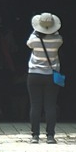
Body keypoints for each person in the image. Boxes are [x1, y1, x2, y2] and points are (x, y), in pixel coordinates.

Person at [26, 12, 63, 144]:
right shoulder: (58, 40)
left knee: (35, 105)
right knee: (50, 106)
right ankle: (50, 136)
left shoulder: (34, 39)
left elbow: (28, 44)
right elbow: (57, 36)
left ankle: (35, 136)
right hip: (50, 76)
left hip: (34, 75)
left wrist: (36, 31)